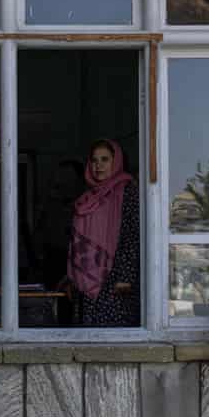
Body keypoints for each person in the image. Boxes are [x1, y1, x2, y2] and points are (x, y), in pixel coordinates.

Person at [67, 139, 141, 326]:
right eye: (94, 160)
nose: (98, 165)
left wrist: (125, 277)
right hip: (85, 282)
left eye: (105, 159)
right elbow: (76, 243)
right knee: (88, 339)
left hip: (115, 280)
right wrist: (71, 278)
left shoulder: (128, 192)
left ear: (116, 162)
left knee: (111, 339)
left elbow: (132, 235)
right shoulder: (88, 197)